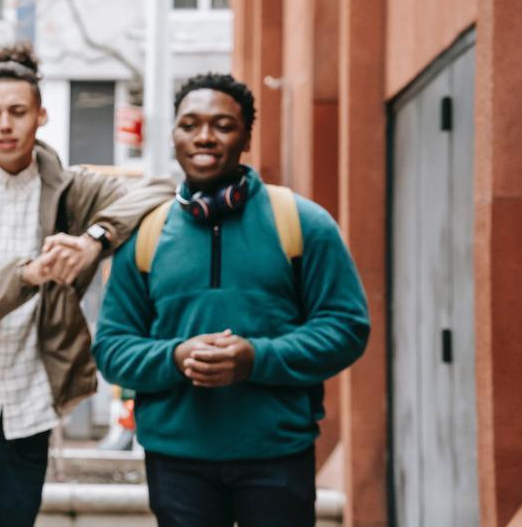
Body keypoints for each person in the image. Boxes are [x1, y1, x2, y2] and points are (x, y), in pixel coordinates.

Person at [92, 74, 371, 527]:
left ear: (246, 137)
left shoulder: (303, 223)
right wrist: (176, 356)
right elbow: (111, 348)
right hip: (175, 459)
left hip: (278, 455)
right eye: (190, 124)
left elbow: (346, 327)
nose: (204, 136)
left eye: (222, 125)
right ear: (174, 135)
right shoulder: (145, 234)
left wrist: (256, 358)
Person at [0, 42, 173, 526]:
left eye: (18, 111)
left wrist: (95, 240)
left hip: (30, 411)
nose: (5, 125)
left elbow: (159, 189)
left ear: (42, 114)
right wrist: (28, 274)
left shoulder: (71, 187)